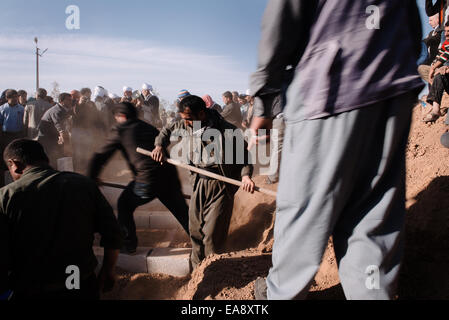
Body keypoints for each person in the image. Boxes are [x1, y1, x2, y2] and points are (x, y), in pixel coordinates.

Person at [250, 0, 423, 300]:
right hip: (393, 89)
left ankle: (281, 294)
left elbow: (283, 15)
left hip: (331, 87)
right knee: (371, 219)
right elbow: (411, 22)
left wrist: (264, 99)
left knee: (303, 211)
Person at [0, 139, 122, 300]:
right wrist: (108, 269)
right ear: (46, 159)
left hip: (31, 288)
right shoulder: (83, 184)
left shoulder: (6, 196)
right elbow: (113, 232)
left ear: (14, 164)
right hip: (79, 283)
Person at [151, 95, 255, 270]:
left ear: (201, 114)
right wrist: (159, 145)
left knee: (211, 236)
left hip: (221, 185)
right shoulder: (185, 124)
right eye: (183, 119)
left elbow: (245, 156)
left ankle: (214, 271)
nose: (185, 123)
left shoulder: (226, 130)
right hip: (198, 182)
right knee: (195, 230)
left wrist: (245, 176)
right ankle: (198, 272)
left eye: (189, 119)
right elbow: (166, 130)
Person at [87, 102, 189, 254]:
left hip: (147, 180)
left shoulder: (120, 129)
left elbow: (101, 156)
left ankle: (128, 243)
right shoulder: (147, 126)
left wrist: (91, 177)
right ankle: (205, 241)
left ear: (121, 116)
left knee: (124, 204)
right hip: (169, 176)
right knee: (182, 211)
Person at [37, 93, 73, 168]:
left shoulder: (64, 110)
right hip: (46, 139)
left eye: (71, 99)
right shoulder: (57, 111)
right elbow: (61, 130)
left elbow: (66, 128)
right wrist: (67, 146)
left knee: (58, 157)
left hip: (53, 137)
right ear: (61, 101)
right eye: (68, 100)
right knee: (52, 158)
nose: (71, 101)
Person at [425, 22, 449, 122]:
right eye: (446, 31)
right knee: (439, 75)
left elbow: (446, 54)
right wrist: (433, 68)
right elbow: (441, 55)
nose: (447, 34)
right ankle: (435, 109)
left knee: (440, 72)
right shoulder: (446, 43)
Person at [418, 14, 443, 84]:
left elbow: (434, 39)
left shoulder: (442, 30)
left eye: (431, 20)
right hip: (430, 62)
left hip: (439, 63)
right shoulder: (431, 33)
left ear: (437, 19)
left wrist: (423, 41)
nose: (429, 22)